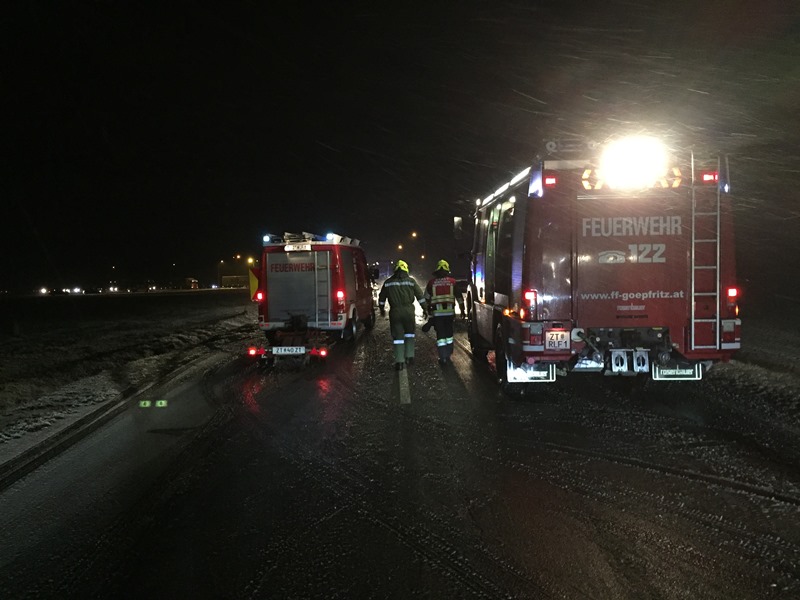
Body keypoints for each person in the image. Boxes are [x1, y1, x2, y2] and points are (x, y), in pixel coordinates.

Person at [378, 260, 427, 371]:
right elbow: (420, 296)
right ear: (406, 269)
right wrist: (425, 308)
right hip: (408, 312)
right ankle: (410, 357)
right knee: (409, 334)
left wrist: (381, 308)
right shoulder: (411, 281)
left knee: (398, 337)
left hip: (395, 312)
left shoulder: (388, 282)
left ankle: (399, 362)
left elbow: (381, 298)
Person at [424, 259, 457, 365]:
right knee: (449, 335)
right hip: (449, 314)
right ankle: (448, 354)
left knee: (441, 336)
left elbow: (426, 298)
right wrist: (463, 310)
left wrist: (427, 311)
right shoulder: (453, 282)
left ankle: (442, 357)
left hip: (437, 315)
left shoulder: (431, 283)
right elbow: (459, 297)